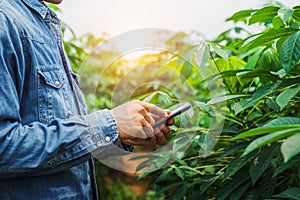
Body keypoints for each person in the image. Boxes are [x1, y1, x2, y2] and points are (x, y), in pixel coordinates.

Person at [0, 0, 172, 199]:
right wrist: (110, 124)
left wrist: (120, 133)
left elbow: (60, 133)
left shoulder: (41, 25)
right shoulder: (6, 20)